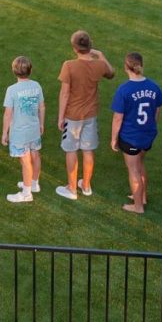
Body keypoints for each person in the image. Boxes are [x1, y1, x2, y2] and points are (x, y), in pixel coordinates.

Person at [56, 31, 115, 201]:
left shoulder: (69, 65)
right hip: (91, 115)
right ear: (90, 45)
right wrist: (101, 55)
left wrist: (61, 117)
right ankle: (86, 186)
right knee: (88, 150)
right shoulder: (99, 65)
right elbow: (111, 73)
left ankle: (72, 189)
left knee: (71, 150)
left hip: (73, 116)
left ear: (75, 48)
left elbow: (65, 94)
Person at [110, 52, 162, 214]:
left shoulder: (124, 89)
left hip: (131, 137)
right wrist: (152, 123)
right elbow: (158, 107)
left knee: (133, 170)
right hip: (147, 135)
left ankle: (138, 206)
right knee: (140, 165)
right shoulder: (153, 86)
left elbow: (118, 118)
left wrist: (114, 139)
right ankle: (142, 197)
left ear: (126, 67)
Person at [1, 56, 45, 203]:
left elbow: (8, 113)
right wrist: (41, 124)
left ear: (14, 71)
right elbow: (42, 107)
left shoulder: (12, 90)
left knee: (25, 162)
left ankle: (26, 193)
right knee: (35, 154)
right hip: (34, 129)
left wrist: (4, 132)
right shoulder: (37, 86)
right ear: (30, 70)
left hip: (19, 132)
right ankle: (34, 183)